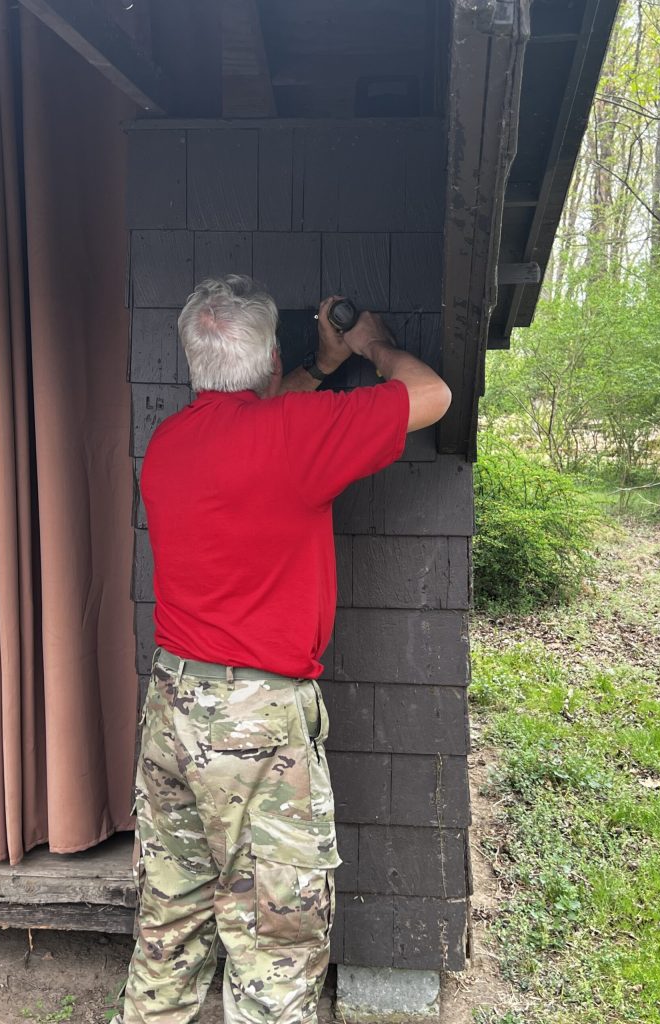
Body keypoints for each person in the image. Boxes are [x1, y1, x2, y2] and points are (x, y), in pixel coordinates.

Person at [116, 276, 452, 1024]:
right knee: (274, 943)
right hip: (256, 723)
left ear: (196, 362)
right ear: (270, 358)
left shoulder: (169, 444)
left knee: (170, 923)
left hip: (172, 707)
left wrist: (324, 368)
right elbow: (431, 395)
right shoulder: (296, 435)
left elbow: (255, 427)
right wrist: (375, 347)